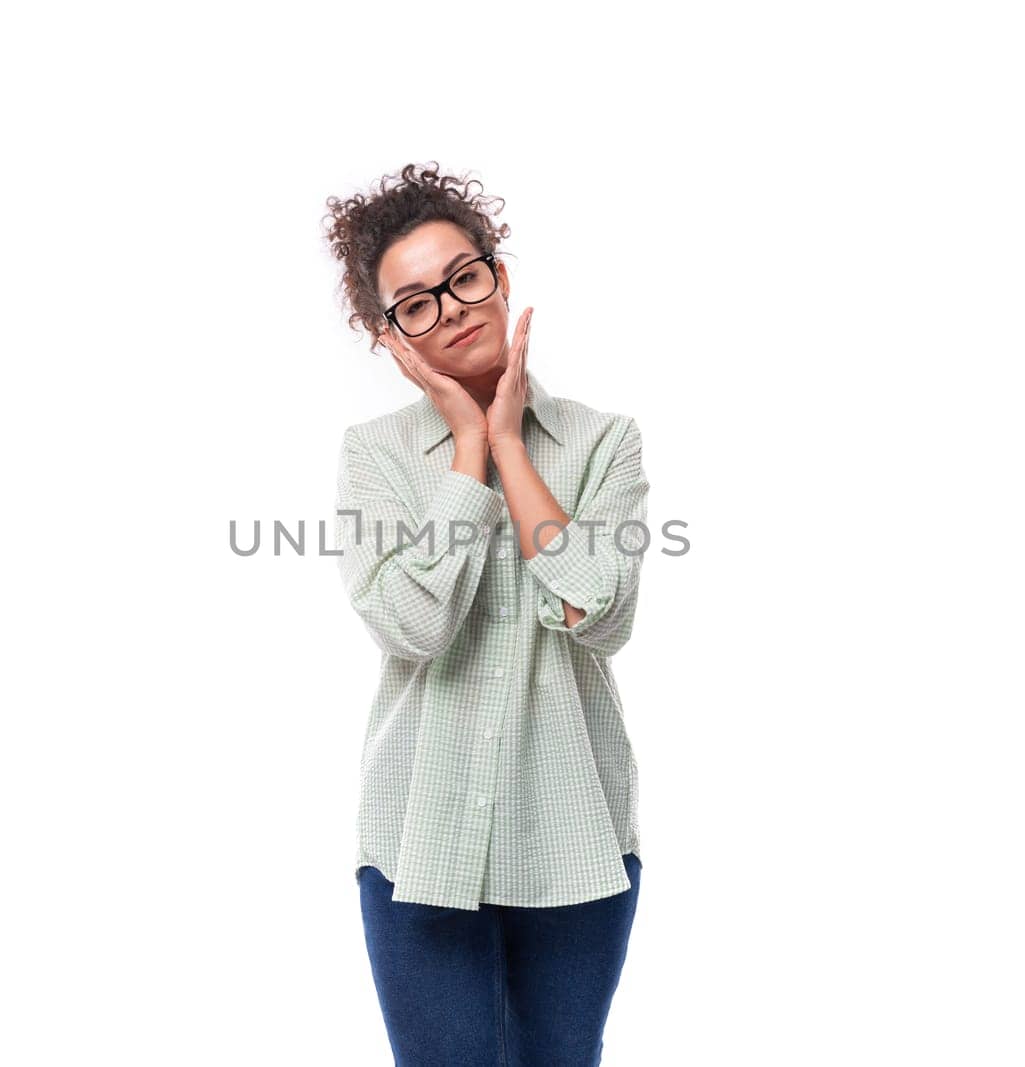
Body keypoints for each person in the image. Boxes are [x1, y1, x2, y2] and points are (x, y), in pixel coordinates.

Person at [323, 162, 651, 1065]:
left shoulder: (602, 442)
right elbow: (414, 627)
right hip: (419, 845)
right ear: (389, 335)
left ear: (498, 277)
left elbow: (601, 610)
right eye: (416, 302)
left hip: (575, 839)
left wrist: (509, 441)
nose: (453, 307)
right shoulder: (376, 458)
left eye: (463, 276)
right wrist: (467, 443)